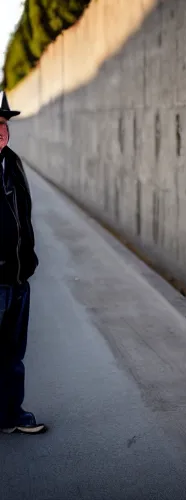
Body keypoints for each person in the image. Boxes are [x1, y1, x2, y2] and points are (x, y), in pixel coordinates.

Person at [0, 91, 45, 434]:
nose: (1, 130)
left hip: (17, 279)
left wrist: (28, 261)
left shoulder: (12, 162)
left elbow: (23, 217)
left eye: (3, 124)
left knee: (13, 356)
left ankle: (10, 415)